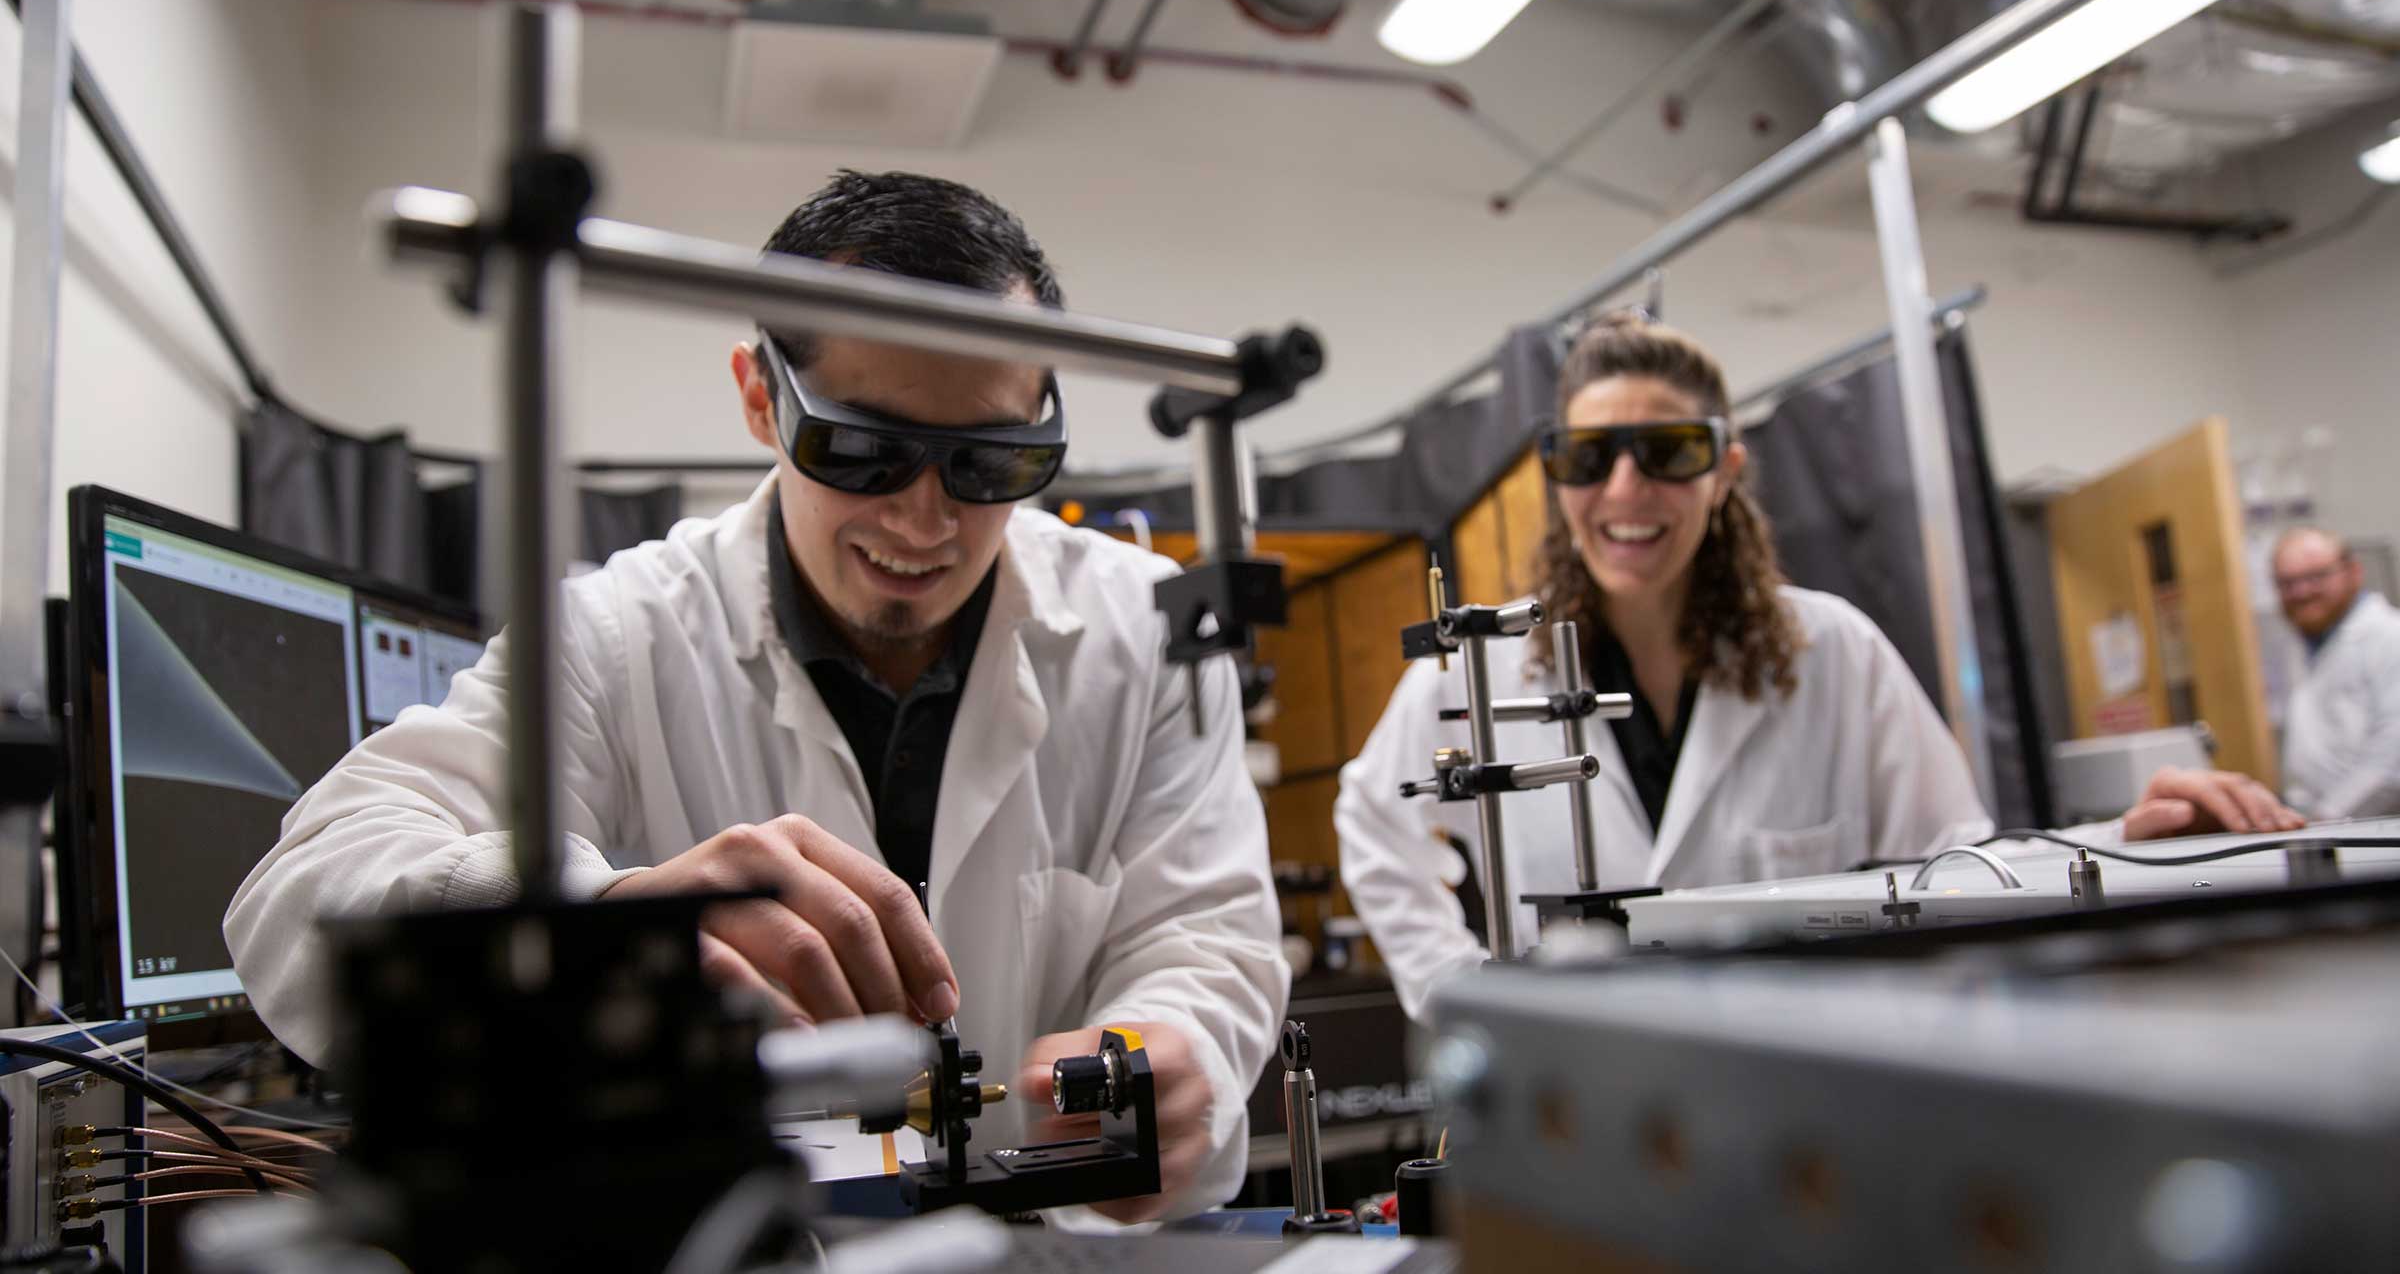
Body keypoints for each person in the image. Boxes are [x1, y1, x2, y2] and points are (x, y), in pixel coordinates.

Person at [225, 170, 1287, 1223]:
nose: (927, 522)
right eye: (864, 450)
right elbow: (299, 896)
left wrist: (1166, 1045)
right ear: (758, 395)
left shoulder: (1143, 627)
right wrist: (604, 932)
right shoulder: (614, 633)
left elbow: (1205, 929)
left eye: (991, 463)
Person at [1336, 314, 2298, 1020]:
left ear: (1726, 471)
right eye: (1588, 457)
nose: (1625, 489)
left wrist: (2122, 846)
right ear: (1557, 476)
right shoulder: (1483, 672)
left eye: (1668, 451)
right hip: (1584, 1083)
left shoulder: (1830, 650)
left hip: (1789, 1083)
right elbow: (1375, 822)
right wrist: (1459, 992)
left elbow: (1951, 861)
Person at [2272, 525, 2400, 820]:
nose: (2301, 592)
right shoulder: (2302, 646)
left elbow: (2392, 756)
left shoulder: (2391, 637)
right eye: (2286, 583)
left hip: (2378, 833)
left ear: (2353, 572)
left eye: (2315, 577)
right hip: (2328, 829)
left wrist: (2326, 817)